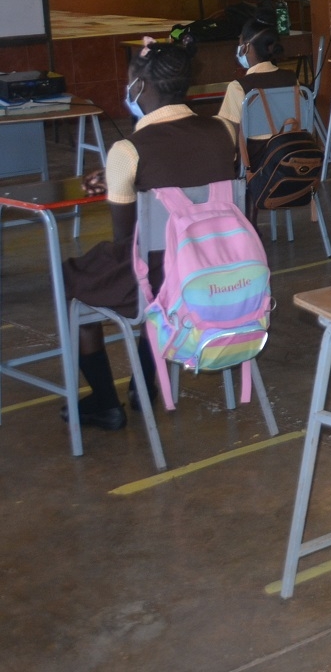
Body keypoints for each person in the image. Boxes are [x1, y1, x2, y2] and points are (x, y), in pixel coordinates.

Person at [61, 39, 239, 430]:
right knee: (158, 278)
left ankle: (105, 402)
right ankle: (145, 388)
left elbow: (128, 241)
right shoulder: (223, 131)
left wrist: (117, 179)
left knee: (72, 277)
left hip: (163, 282)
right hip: (217, 270)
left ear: (140, 87)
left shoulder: (128, 150)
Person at [217, 4, 298, 170]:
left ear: (246, 47)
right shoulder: (292, 79)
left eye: (240, 42)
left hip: (255, 164)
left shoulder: (239, 87)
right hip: (292, 156)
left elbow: (229, 136)